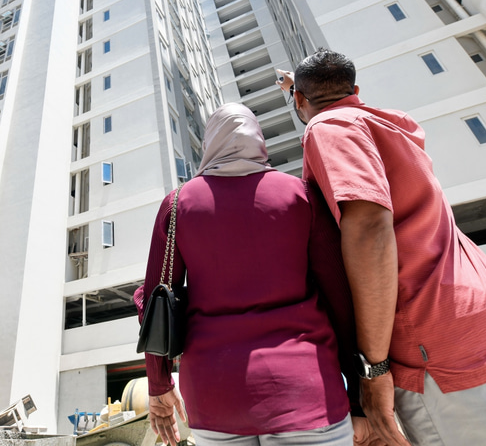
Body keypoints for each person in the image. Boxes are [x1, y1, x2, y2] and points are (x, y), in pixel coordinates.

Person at [282, 48, 486, 445]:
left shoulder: (328, 127)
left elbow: (370, 227)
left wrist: (374, 370)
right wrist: (300, 90)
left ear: (299, 100)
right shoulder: (390, 124)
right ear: (355, 91)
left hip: (439, 347)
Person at [134, 103, 379, 446]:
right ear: (259, 141)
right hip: (307, 392)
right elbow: (340, 299)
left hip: (214, 396)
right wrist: (357, 398)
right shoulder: (302, 196)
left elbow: (154, 300)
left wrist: (159, 386)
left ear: (209, 144)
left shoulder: (177, 205)